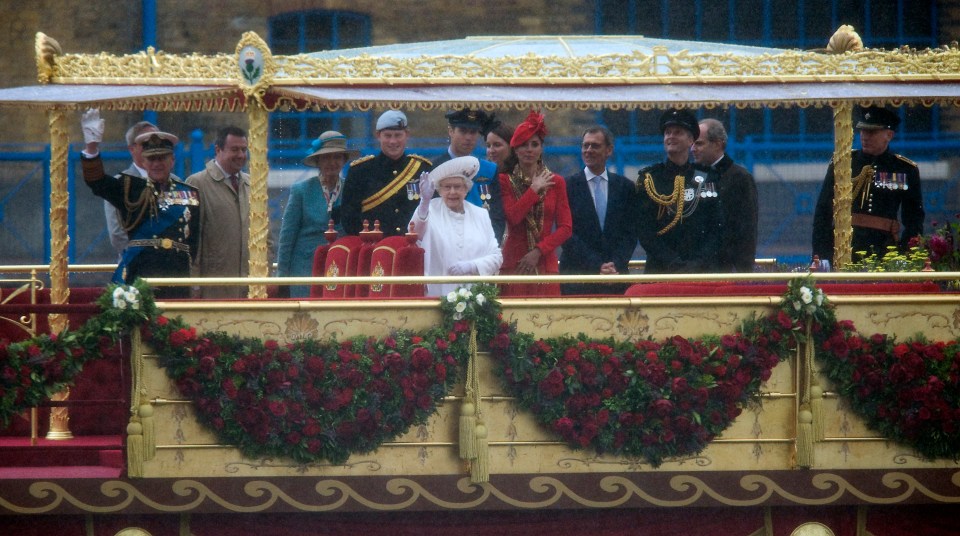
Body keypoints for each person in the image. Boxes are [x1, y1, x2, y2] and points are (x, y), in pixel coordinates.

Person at [78, 109, 198, 299]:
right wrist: (92, 147)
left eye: (162, 158)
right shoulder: (127, 186)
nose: (157, 163)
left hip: (177, 275)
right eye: (151, 158)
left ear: (172, 160)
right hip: (140, 273)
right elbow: (97, 182)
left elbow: (194, 241)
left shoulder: (190, 193)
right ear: (143, 160)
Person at [812, 105, 924, 268]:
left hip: (884, 251)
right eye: (862, 131)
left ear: (889, 135)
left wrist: (905, 255)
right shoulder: (843, 162)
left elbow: (914, 220)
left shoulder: (904, 169)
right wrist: (821, 255)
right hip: (843, 250)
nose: (864, 137)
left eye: (871, 132)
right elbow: (823, 213)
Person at [636, 108, 721, 274]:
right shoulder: (650, 178)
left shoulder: (707, 177)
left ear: (691, 140)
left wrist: (697, 263)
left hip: (700, 271)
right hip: (660, 270)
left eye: (678, 132)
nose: (671, 137)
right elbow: (645, 231)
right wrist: (672, 262)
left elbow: (716, 228)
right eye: (667, 133)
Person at [498, 110, 572, 297]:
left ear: (541, 149)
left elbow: (566, 228)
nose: (529, 150)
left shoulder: (556, 182)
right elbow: (513, 217)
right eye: (523, 145)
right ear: (515, 149)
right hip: (514, 262)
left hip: (545, 262)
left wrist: (539, 251)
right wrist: (534, 190)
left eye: (534, 144)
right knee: (512, 322)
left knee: (550, 321)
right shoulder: (504, 180)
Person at [276, 131, 358, 298]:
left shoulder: (352, 189)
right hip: (305, 270)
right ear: (318, 161)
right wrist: (281, 276)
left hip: (340, 269)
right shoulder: (301, 190)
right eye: (326, 157)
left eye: (336, 157)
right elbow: (287, 236)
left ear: (344, 160)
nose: (332, 162)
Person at [560, 126, 638, 295]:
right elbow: (565, 233)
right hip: (578, 279)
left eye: (595, 146)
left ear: (608, 150)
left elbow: (630, 233)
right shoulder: (567, 186)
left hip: (615, 279)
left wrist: (614, 265)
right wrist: (597, 266)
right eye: (585, 145)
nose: (588, 150)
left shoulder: (625, 187)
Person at [409, 156, 502, 297]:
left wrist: (472, 266)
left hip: (475, 297)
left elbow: (496, 257)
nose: (452, 192)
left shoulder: (481, 214)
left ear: (466, 189)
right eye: (447, 187)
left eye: (458, 186)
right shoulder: (430, 209)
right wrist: (424, 202)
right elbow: (414, 234)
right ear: (439, 190)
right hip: (438, 295)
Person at [340, 110, 432, 236]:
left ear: (407, 135)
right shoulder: (360, 171)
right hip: (374, 247)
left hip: (413, 245)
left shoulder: (422, 169)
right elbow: (349, 218)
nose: (393, 141)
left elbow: (432, 211)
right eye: (388, 136)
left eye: (398, 135)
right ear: (378, 135)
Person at [185, 126, 251, 299]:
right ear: (217, 150)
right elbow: (191, 239)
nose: (241, 155)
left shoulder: (253, 184)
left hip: (250, 287)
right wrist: (194, 284)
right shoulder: (197, 183)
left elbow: (265, 237)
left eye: (244, 150)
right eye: (235, 149)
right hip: (213, 288)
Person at [692, 118, 759, 273]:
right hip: (697, 267)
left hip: (727, 268)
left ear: (717, 144)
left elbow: (747, 229)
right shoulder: (694, 176)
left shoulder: (740, 177)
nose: (693, 149)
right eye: (693, 143)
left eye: (699, 143)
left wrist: (743, 272)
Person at [434, 108, 505, 245]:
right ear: (451, 131)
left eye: (473, 132)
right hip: (445, 246)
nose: (468, 137)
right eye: (463, 131)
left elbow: (496, 216)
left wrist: (490, 245)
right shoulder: (434, 168)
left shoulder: (488, 170)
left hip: (481, 247)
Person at [104, 120, 162, 258]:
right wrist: (154, 256)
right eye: (146, 144)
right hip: (135, 267)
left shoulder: (175, 181)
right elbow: (118, 235)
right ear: (132, 149)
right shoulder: (118, 184)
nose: (152, 148)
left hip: (172, 269)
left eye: (157, 142)